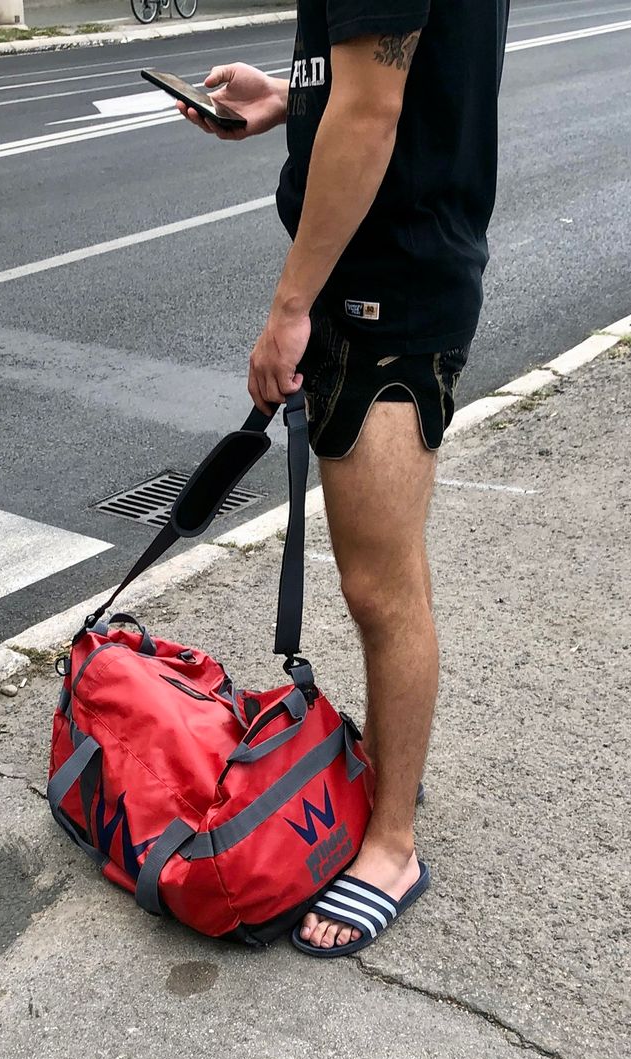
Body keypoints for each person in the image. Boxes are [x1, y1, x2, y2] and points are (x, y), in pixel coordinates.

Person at [177, 0, 509, 957]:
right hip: (390, 274)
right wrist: (288, 99)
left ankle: (394, 845)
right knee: (382, 577)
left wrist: (291, 307)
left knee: (379, 584)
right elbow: (384, 79)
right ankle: (391, 784)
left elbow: (374, 116)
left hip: (389, 290)